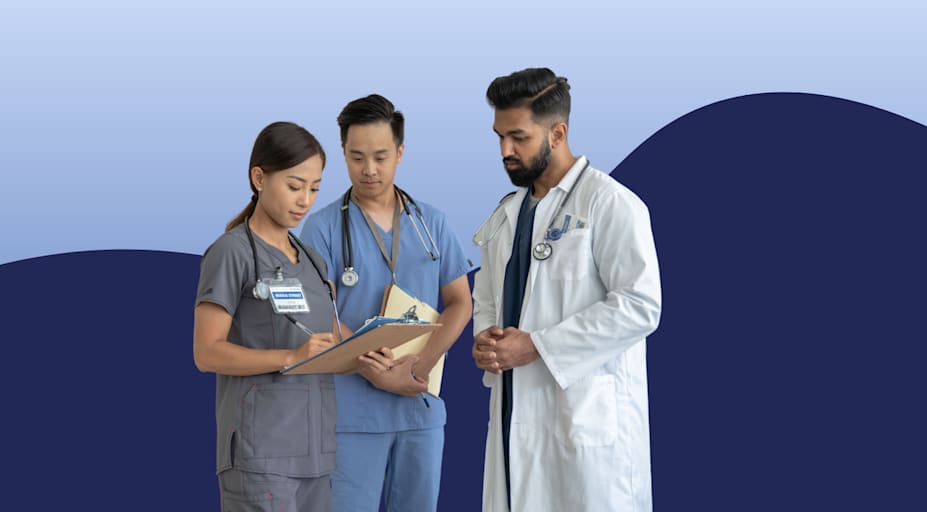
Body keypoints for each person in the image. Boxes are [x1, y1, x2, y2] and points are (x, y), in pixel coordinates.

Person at [471, 68, 663, 511]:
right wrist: (485, 338)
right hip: (515, 416)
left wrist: (537, 345)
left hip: (586, 425)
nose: (505, 151)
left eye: (518, 137)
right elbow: (487, 297)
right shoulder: (506, 215)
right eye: (499, 137)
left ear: (557, 133)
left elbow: (640, 305)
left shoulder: (610, 203)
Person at [193, 121, 391, 512]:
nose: (305, 200)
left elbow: (333, 341)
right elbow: (207, 352)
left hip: (315, 454)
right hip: (260, 454)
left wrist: (376, 351)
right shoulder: (232, 253)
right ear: (259, 178)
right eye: (295, 186)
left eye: (314, 188)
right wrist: (291, 357)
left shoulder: (313, 261)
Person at [300, 94, 472, 511]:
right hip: (352, 415)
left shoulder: (432, 224)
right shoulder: (322, 229)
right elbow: (322, 313)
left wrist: (418, 368)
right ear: (343, 153)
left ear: (400, 152)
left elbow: (460, 302)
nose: (369, 170)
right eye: (356, 157)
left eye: (380, 157)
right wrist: (376, 373)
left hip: (420, 409)